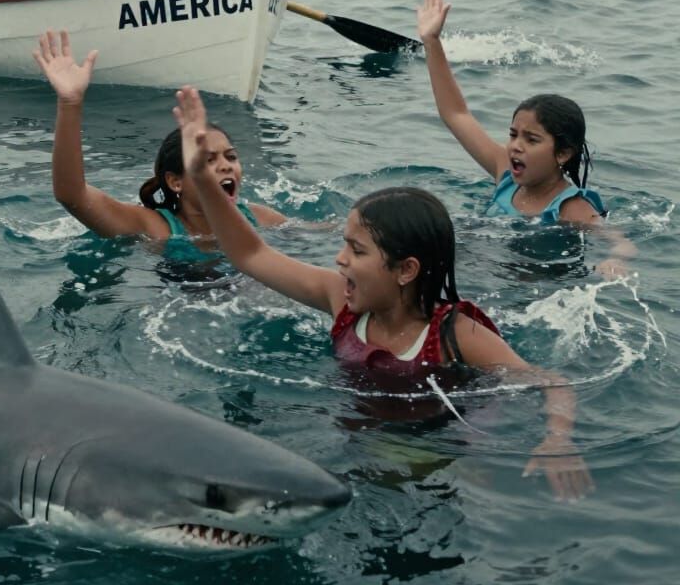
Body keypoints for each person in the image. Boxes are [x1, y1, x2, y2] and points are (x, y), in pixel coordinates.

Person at [173, 84, 595, 501]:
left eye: (356, 250)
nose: (339, 260)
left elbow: (551, 382)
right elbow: (250, 253)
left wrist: (558, 439)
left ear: (405, 270)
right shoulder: (340, 296)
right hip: (355, 432)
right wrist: (200, 179)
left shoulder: (456, 333)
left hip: (436, 446)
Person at [416, 0, 633, 276]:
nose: (515, 146)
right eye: (513, 134)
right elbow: (456, 114)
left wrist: (615, 260)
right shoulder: (506, 174)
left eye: (531, 139)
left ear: (563, 153)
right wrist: (432, 41)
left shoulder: (571, 208)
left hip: (525, 283)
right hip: (475, 261)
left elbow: (622, 243)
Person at [32, 30, 287, 242]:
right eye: (208, 160)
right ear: (176, 182)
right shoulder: (155, 228)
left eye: (231, 157)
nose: (225, 166)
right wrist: (70, 103)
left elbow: (320, 235)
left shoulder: (260, 219)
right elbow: (72, 195)